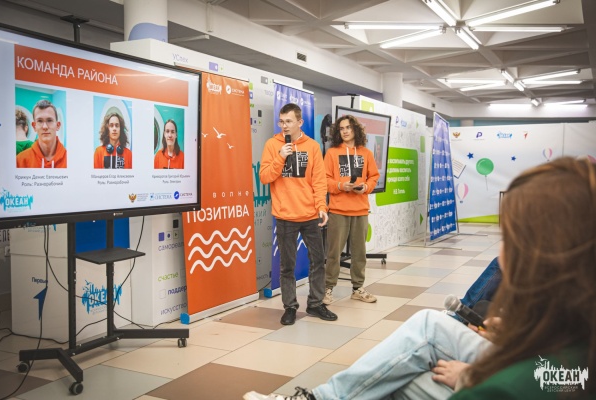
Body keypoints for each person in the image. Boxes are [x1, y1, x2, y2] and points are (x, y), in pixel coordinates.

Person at [245, 156, 596, 400]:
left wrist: (474, 376)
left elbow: (544, 381)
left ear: (547, 259)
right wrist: (517, 338)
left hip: (514, 374)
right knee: (424, 331)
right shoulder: (574, 337)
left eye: (511, 240)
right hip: (535, 357)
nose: (500, 254)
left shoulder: (510, 389)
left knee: (397, 377)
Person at [259, 103, 337, 326]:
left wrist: (322, 207)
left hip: (310, 214)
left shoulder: (312, 146)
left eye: (289, 121)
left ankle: (315, 303)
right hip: (285, 216)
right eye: (281, 121)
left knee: (318, 262)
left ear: (300, 122)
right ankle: (290, 307)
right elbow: (265, 177)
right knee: (287, 266)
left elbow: (319, 181)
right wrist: (280, 157)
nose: (284, 125)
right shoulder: (272, 145)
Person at [323, 115, 380, 304]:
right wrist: (340, 186)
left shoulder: (366, 153)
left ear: (355, 129)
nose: (345, 131)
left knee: (359, 254)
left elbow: (374, 177)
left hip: (360, 210)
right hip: (338, 211)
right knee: (334, 254)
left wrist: (366, 187)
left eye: (348, 127)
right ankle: (328, 289)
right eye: (341, 128)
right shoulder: (332, 153)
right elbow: (325, 179)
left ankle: (358, 289)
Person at [16, 100, 67, 168]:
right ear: (34, 126)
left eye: (49, 120)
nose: (45, 127)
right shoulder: (20, 161)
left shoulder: (70, 159)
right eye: (40, 121)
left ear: (58, 125)